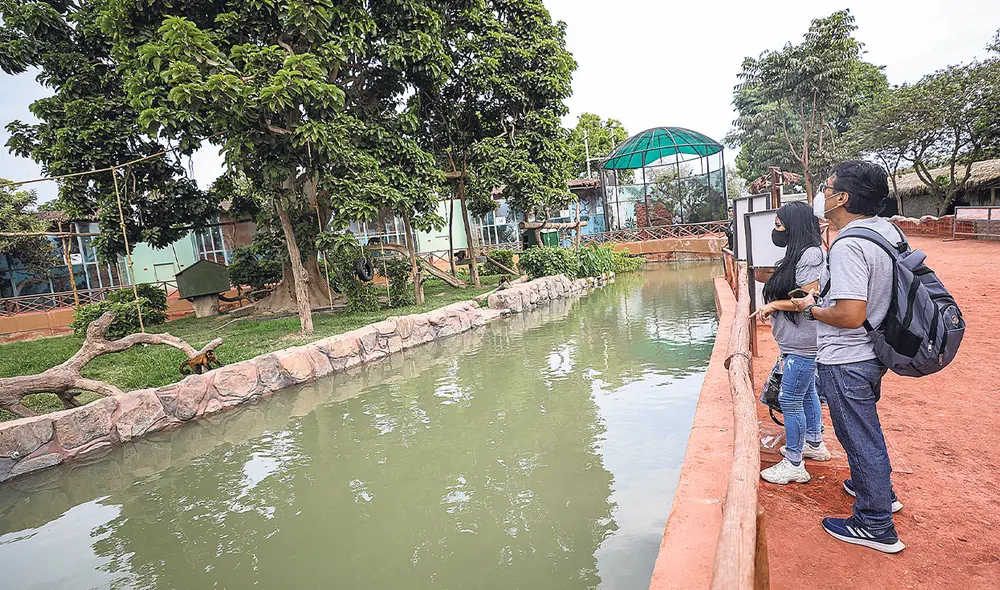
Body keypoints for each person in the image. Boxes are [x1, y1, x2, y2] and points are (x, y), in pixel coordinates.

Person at [791, 160, 906, 554]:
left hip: (848, 357)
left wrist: (812, 309)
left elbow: (850, 314)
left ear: (842, 198)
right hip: (873, 351)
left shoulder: (849, 245)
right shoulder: (886, 231)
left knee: (858, 435)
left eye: (826, 189)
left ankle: (875, 523)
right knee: (865, 429)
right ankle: (875, 488)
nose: (821, 196)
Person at [753, 202, 831, 485]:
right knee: (807, 392)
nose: (776, 231)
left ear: (794, 226)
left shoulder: (811, 254)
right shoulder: (799, 252)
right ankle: (814, 442)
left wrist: (774, 304)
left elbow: (808, 298)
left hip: (803, 344)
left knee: (790, 400)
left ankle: (794, 463)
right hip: (797, 342)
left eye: (779, 225)